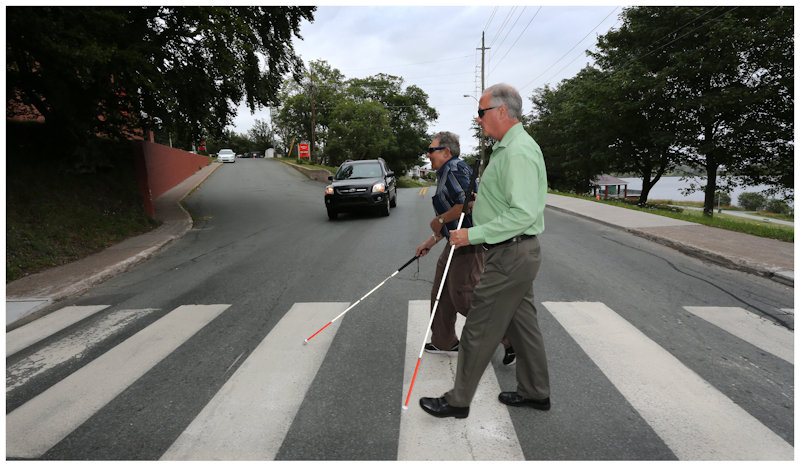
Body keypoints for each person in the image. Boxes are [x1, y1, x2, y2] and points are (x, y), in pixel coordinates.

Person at [419, 83, 550, 419]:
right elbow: (509, 202)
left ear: (502, 112)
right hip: (517, 252)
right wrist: (482, 204)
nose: (478, 119)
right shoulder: (510, 148)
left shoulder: (518, 151)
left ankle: (458, 401)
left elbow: (522, 214)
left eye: (481, 112)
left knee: (478, 327)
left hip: (511, 252)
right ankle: (535, 391)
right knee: (524, 326)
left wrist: (472, 234)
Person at [415, 132, 516, 365]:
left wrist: (439, 220)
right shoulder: (446, 172)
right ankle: (444, 341)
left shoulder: (454, 169)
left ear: (446, 152)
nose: (428, 154)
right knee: (441, 291)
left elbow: (468, 204)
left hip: (469, 242)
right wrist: (430, 241)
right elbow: (455, 217)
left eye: (431, 150)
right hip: (456, 240)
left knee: (465, 297)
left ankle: (512, 338)